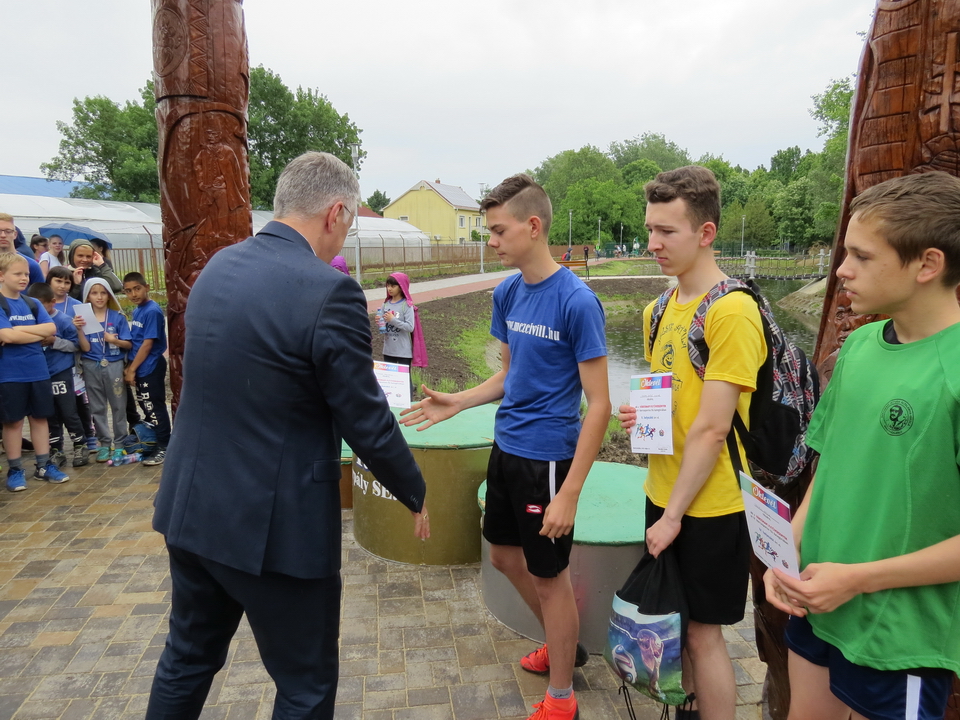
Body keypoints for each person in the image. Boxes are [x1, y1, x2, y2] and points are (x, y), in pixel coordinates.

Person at [146, 151, 428, 720]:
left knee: (187, 658)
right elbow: (364, 416)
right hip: (275, 531)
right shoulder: (330, 292)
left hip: (192, 508)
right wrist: (415, 491)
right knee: (305, 686)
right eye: (348, 225)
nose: (342, 239)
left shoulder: (218, 267)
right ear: (336, 212)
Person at [401, 173, 610, 720]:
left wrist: (570, 492)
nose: (490, 240)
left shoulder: (577, 302)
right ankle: (564, 647)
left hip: (547, 461)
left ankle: (562, 698)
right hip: (507, 448)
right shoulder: (508, 293)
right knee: (502, 555)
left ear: (533, 226)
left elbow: (600, 405)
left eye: (498, 230)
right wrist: (459, 401)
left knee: (550, 578)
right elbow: (509, 377)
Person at [763, 171, 960, 720]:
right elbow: (831, 465)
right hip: (817, 601)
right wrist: (788, 548)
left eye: (862, 256)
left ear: (927, 264)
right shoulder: (860, 346)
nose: (841, 270)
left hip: (898, 633)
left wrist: (857, 579)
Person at [618, 166, 765, 720]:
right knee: (674, 625)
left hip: (710, 504)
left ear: (706, 233)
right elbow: (676, 398)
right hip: (663, 490)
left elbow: (713, 427)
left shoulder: (733, 311)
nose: (652, 244)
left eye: (666, 231)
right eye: (650, 229)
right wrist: (643, 418)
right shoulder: (658, 309)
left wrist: (674, 516)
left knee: (704, 635)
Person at [0, 253, 70, 491]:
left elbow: (50, 329)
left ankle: (43, 465)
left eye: (26, 274)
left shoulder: (33, 303)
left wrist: (16, 331)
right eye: (17, 274)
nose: (24, 278)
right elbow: (5, 335)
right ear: (1, 275)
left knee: (40, 418)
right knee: (13, 422)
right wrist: (30, 333)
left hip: (38, 371)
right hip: (10, 373)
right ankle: (15, 469)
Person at [26, 283, 88, 468]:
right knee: (49, 414)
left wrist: (55, 341)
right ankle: (56, 449)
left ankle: (80, 445)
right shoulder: (30, 321)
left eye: (41, 306)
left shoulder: (63, 320)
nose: (37, 311)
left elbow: (76, 345)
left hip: (61, 373)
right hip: (40, 374)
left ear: (52, 302)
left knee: (68, 411)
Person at [73, 278, 131, 463]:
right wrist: (79, 330)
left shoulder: (117, 317)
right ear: (87, 296)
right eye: (94, 293)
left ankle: (120, 443)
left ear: (109, 295)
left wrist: (114, 341)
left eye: (103, 292)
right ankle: (104, 443)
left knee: (118, 405)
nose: (99, 297)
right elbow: (86, 348)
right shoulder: (84, 318)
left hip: (114, 365)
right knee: (97, 406)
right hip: (91, 365)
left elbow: (128, 344)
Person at [46, 265, 97, 454]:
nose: (62, 286)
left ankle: (89, 435)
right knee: (54, 406)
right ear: (49, 282)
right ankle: (55, 443)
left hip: (75, 363)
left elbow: (92, 335)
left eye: (67, 282)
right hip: (49, 365)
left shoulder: (78, 305)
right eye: (58, 281)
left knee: (80, 402)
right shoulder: (38, 304)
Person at [122, 272, 170, 466]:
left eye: (137, 288)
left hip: (150, 367)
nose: (133, 294)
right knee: (146, 406)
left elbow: (147, 344)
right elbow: (135, 341)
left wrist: (132, 369)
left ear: (147, 287)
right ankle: (156, 441)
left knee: (154, 407)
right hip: (140, 367)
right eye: (128, 291)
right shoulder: (137, 311)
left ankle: (165, 446)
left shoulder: (152, 311)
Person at [379, 272, 428, 397]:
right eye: (388, 285)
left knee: (404, 380)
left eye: (393, 286)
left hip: (403, 352)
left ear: (401, 287)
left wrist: (393, 320)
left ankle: (408, 402)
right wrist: (380, 322)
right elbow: (383, 327)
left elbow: (410, 327)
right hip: (388, 350)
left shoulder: (406, 305)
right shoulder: (385, 304)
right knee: (389, 380)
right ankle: (392, 402)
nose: (389, 288)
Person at [0, 215, 45, 285]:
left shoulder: (31, 265)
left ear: (15, 234)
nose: (3, 235)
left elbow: (41, 291)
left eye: (8, 231)